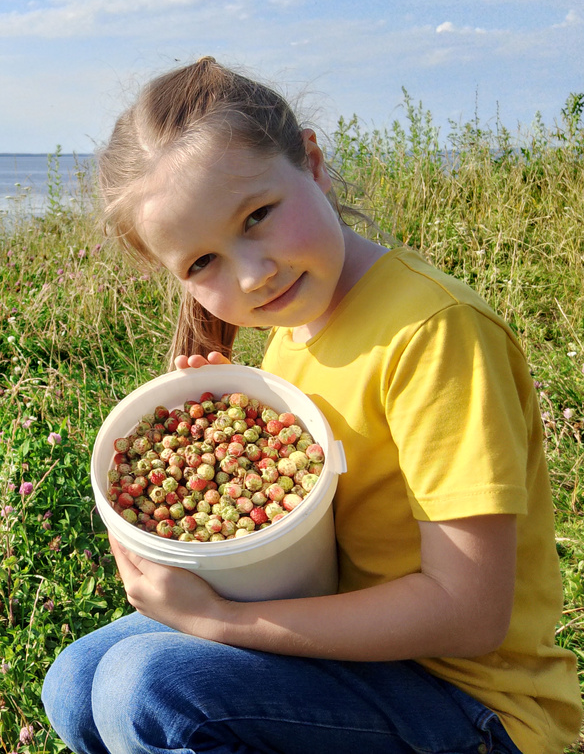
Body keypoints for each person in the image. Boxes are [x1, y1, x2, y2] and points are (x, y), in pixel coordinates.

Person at [41, 57, 581, 754]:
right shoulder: (292, 334)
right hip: (359, 657)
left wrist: (217, 624)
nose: (253, 273)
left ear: (315, 163)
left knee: (147, 690)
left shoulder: (431, 332)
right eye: (203, 264)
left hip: (475, 705)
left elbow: (469, 614)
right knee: (75, 678)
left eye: (258, 216)